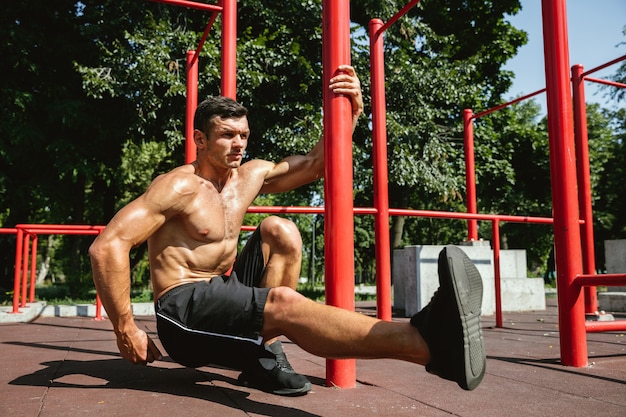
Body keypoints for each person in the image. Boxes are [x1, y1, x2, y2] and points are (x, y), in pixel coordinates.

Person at [89, 65, 486, 396]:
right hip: (182, 312)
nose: (238, 144)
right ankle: (427, 344)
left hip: (221, 289)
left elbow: (315, 163)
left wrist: (352, 111)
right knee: (280, 302)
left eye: (243, 135)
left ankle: (266, 356)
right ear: (200, 138)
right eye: (227, 135)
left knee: (280, 229)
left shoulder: (249, 176)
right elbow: (108, 247)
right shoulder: (179, 186)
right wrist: (125, 328)